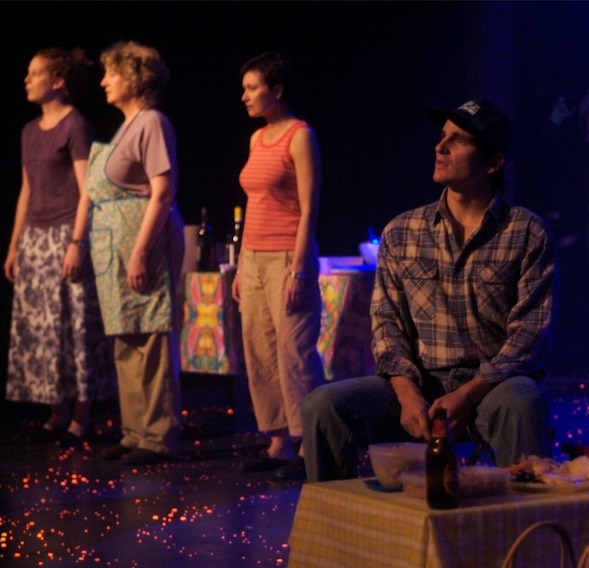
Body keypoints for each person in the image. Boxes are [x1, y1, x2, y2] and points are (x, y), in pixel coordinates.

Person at [302, 99, 557, 482]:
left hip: (491, 386)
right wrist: (407, 394)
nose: (440, 147)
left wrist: (468, 393)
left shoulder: (525, 232)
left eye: (458, 140)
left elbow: (529, 337)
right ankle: (336, 530)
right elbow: (387, 324)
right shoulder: (402, 231)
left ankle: (524, 532)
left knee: (523, 400)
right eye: (442, 137)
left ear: (493, 163)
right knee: (323, 405)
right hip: (418, 382)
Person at [4, 47, 116, 447]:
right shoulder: (29, 131)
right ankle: (56, 411)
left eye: (35, 73)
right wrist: (15, 244)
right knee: (44, 330)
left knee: (74, 328)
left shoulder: (76, 124)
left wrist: (76, 242)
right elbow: (26, 190)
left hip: (67, 233)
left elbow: (88, 190)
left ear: (57, 81)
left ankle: (82, 414)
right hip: (35, 237)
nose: (27, 79)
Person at [86, 41, 185, 466]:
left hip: (144, 239)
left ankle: (159, 436)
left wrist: (141, 252)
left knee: (150, 335)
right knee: (125, 337)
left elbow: (162, 191)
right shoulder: (126, 126)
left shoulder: (152, 122)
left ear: (135, 78)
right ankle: (135, 431)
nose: (104, 80)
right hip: (115, 244)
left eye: (112, 72)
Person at [232, 52, 325, 481]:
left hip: (288, 257)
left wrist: (299, 269)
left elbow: (309, 209)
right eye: (245, 88)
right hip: (252, 259)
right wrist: (239, 266)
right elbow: (255, 203)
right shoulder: (257, 139)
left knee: (293, 353)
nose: (245, 96)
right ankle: (278, 443)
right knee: (260, 350)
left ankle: (311, 445)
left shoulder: (300, 136)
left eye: (253, 88)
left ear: (278, 90)